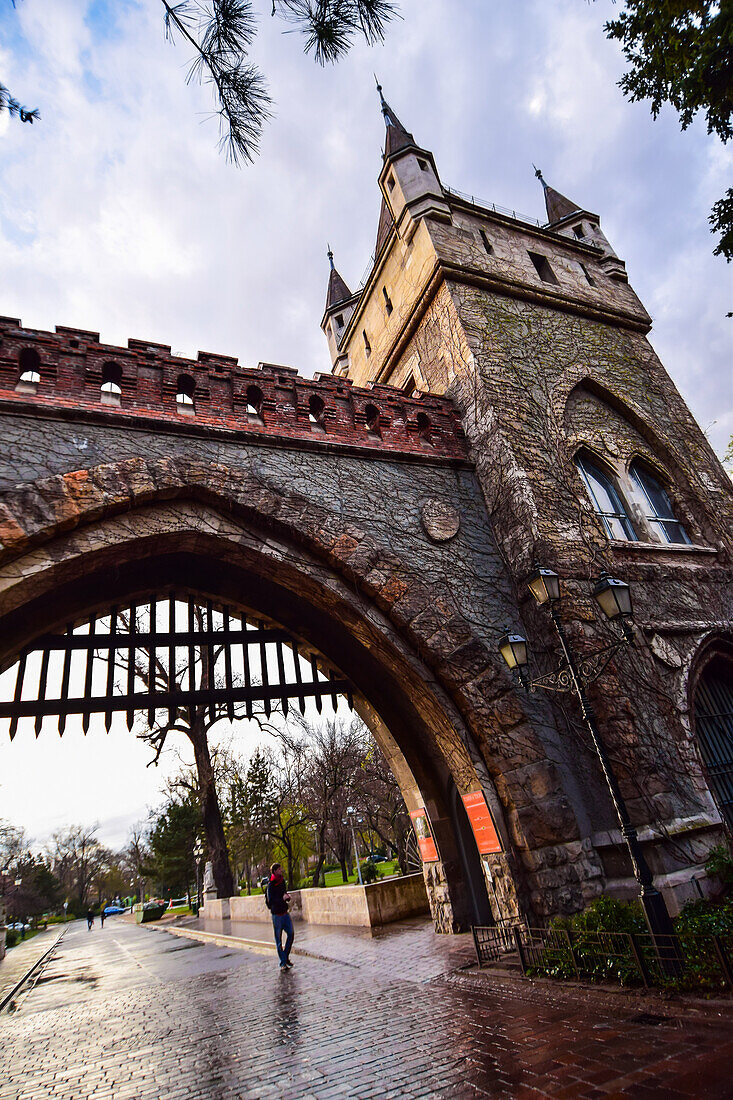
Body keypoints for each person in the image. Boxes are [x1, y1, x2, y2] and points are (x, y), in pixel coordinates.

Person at [265, 863, 293, 970]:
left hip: (285, 913)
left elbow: (284, 894)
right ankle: (283, 962)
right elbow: (270, 900)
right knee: (279, 940)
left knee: (291, 934)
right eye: (279, 869)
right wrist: (281, 899)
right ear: (275, 871)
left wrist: (287, 897)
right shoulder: (271, 885)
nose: (281, 870)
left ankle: (285, 957)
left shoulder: (282, 881)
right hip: (276, 915)